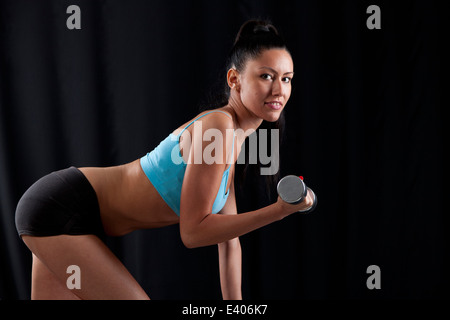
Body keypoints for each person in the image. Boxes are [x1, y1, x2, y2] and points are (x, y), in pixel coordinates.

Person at [15, 19, 314, 300]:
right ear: (234, 79)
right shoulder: (218, 127)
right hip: (63, 205)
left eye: (286, 79)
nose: (279, 89)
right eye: (266, 76)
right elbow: (194, 232)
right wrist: (278, 211)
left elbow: (229, 242)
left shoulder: (233, 140)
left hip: (73, 216)